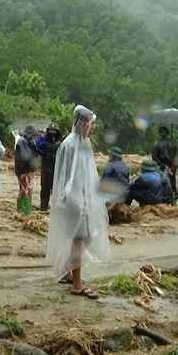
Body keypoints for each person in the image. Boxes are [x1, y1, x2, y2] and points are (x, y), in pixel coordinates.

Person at [47, 105, 110, 300]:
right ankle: (76, 283)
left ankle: (67, 271)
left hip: (81, 200)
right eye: (91, 124)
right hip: (75, 202)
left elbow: (85, 176)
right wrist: (75, 202)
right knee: (79, 240)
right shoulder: (70, 145)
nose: (93, 128)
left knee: (84, 238)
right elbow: (68, 177)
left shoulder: (83, 143)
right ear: (82, 123)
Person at [35, 123, 63, 211]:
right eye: (51, 130)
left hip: (56, 167)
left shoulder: (60, 141)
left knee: (55, 189)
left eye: (54, 130)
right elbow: (37, 145)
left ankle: (56, 209)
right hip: (46, 166)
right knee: (45, 188)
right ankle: (44, 207)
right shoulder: (43, 139)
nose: (52, 132)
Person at [14, 125, 38, 215]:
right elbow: (26, 156)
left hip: (24, 170)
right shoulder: (23, 142)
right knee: (26, 189)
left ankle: (22, 209)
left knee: (24, 189)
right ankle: (24, 211)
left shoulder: (27, 142)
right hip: (23, 170)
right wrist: (33, 165)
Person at [151, 126, 178, 202]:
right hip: (172, 167)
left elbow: (154, 157)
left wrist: (162, 166)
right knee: (172, 183)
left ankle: (162, 200)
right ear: (168, 133)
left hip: (161, 167)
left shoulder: (156, 144)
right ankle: (174, 201)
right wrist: (173, 167)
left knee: (161, 183)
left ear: (160, 133)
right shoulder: (174, 144)